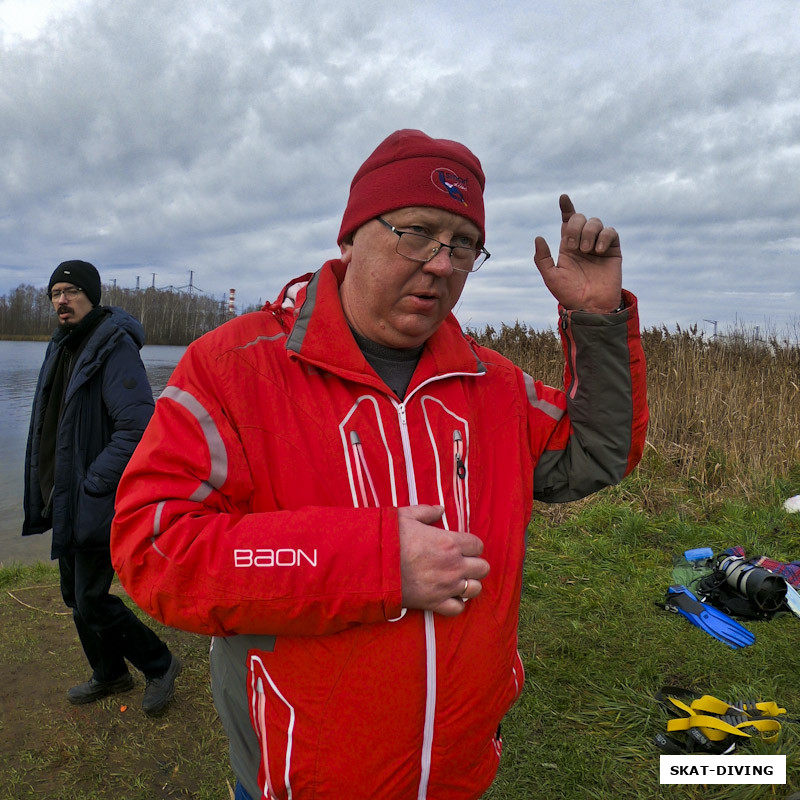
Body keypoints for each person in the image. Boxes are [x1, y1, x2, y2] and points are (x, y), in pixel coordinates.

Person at [111, 130, 648, 799]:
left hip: (459, 771)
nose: (441, 264)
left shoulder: (493, 383)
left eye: (462, 246)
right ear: (350, 236)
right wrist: (375, 563)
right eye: (417, 232)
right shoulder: (233, 369)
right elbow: (157, 548)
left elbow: (595, 453)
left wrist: (594, 318)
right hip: (303, 776)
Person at [23, 260, 181, 716]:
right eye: (54, 292)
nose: (61, 300)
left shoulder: (113, 348)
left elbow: (137, 426)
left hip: (93, 495)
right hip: (65, 493)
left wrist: (94, 480)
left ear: (90, 294)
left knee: (92, 598)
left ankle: (160, 663)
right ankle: (110, 673)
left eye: (70, 290)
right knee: (75, 597)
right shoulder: (64, 345)